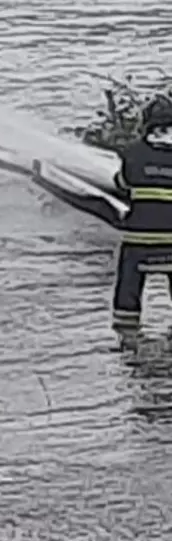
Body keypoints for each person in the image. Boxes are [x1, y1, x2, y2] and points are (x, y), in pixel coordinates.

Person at [111, 95, 172, 350]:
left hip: (138, 239)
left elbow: (122, 184)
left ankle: (127, 333)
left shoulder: (132, 153)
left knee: (129, 281)